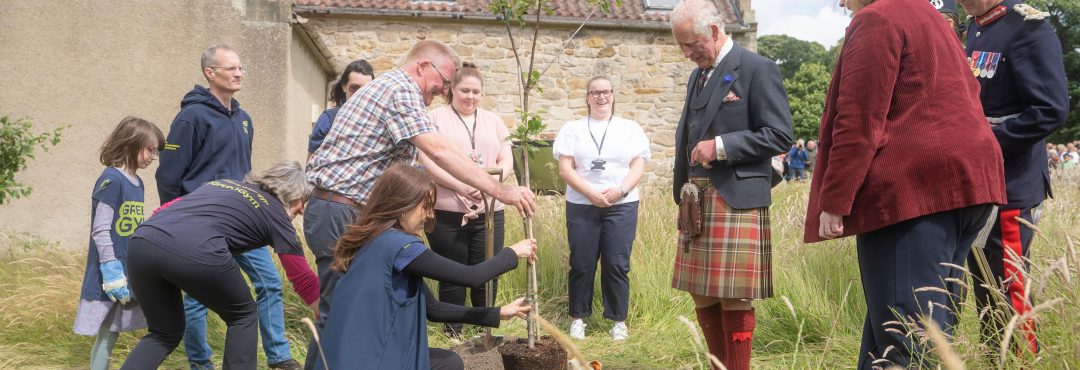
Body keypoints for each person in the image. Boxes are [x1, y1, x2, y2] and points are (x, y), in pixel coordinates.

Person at [303, 39, 535, 369]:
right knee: (337, 312)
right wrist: (501, 191)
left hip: (352, 210)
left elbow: (430, 159)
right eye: (445, 81)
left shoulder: (401, 96)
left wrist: (472, 181)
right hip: (341, 209)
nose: (445, 90)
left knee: (353, 311)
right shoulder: (400, 89)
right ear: (424, 67)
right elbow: (438, 150)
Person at [805, 0, 1007, 368]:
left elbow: (859, 119)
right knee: (908, 323)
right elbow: (969, 93)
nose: (839, 3)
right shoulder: (928, 15)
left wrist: (834, 199)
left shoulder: (878, 18)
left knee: (906, 339)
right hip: (965, 185)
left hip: (916, 192)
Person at [155, 44, 300, 370]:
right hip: (198, 225)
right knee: (197, 298)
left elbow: (243, 170)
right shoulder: (191, 117)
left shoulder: (244, 119)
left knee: (269, 283)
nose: (238, 73)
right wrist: (174, 217)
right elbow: (168, 173)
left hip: (241, 218)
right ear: (211, 73)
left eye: (240, 68)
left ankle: (279, 358)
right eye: (231, 68)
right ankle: (200, 364)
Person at [669, 1, 794, 369]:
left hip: (735, 198)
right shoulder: (698, 75)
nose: (688, 53)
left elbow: (779, 134)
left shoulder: (757, 69)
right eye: (681, 46)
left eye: (692, 44)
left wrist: (721, 147)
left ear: (713, 30)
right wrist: (680, 191)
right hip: (696, 198)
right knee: (701, 292)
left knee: (735, 296)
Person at [313, 164, 534, 370]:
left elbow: (434, 309)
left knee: (449, 361)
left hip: (348, 358)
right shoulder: (401, 246)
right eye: (425, 207)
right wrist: (512, 253)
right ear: (402, 205)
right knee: (449, 364)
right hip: (376, 359)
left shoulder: (373, 239)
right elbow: (472, 276)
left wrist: (497, 313)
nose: (429, 215)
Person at [121, 161, 319, 370]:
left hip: (142, 242)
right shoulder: (277, 215)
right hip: (197, 249)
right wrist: (327, 312)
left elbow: (165, 208)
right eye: (302, 202)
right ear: (294, 195)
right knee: (243, 315)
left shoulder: (222, 185)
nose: (302, 211)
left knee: (163, 333)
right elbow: (303, 279)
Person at [960, 0, 1069, 354]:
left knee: (1008, 288)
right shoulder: (976, 26)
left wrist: (986, 144)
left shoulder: (1028, 27)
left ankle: (1019, 360)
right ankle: (996, 359)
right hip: (979, 179)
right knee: (985, 285)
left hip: (1012, 183)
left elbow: (1049, 109)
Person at [417, 62, 514, 336]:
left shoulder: (494, 121)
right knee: (452, 274)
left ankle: (482, 332)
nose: (470, 97)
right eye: (465, 91)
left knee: (487, 272)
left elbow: (507, 159)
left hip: (489, 210)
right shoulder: (434, 119)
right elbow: (429, 161)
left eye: (476, 92)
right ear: (451, 91)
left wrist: (491, 185)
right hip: (447, 210)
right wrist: (462, 185)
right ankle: (454, 331)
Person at [552, 76, 649, 341]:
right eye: (595, 92)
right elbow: (565, 168)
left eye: (606, 92)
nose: (601, 97)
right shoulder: (572, 128)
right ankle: (578, 318)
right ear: (587, 97)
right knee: (582, 263)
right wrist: (590, 192)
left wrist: (620, 190)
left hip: (622, 205)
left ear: (613, 95)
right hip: (582, 204)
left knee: (617, 264)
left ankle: (617, 321)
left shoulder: (630, 128)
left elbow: (638, 165)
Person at [74, 116, 164, 370]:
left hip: (128, 268)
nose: (154, 156)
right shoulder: (111, 180)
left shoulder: (138, 182)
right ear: (130, 144)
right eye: (150, 149)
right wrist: (110, 267)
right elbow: (101, 229)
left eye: (156, 151)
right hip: (109, 272)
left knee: (111, 332)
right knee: (105, 333)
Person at [307, 59, 374, 160]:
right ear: (344, 86)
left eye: (367, 88)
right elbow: (311, 161)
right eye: (355, 87)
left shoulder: (380, 119)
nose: (361, 93)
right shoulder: (329, 119)